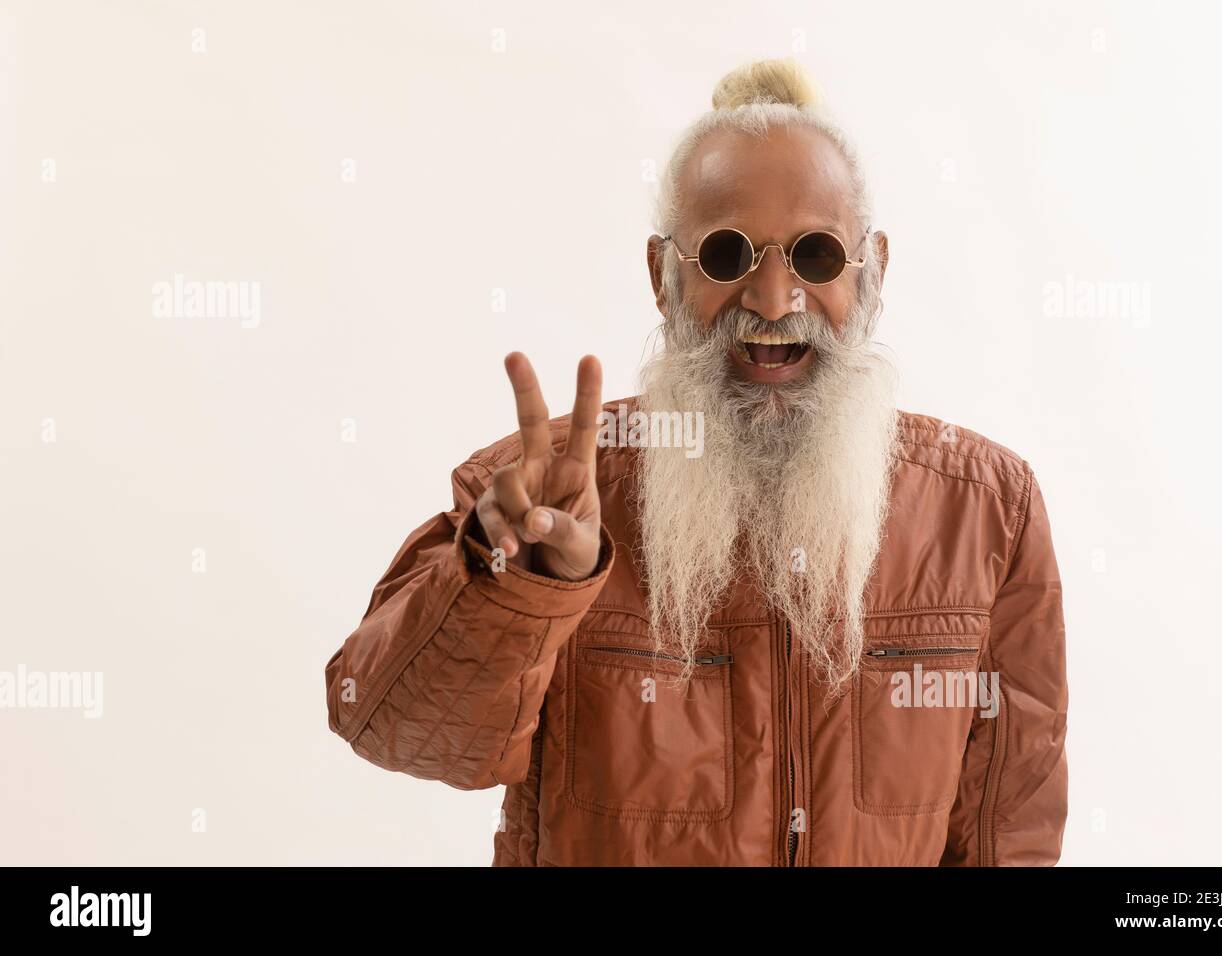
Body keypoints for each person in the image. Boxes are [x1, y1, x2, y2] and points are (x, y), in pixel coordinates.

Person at [324, 58, 1068, 866]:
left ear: (874, 269)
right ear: (663, 274)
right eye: (726, 254)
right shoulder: (541, 494)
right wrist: (524, 581)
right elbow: (395, 732)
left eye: (816, 256)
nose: (775, 297)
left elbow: (1008, 836)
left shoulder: (987, 507)